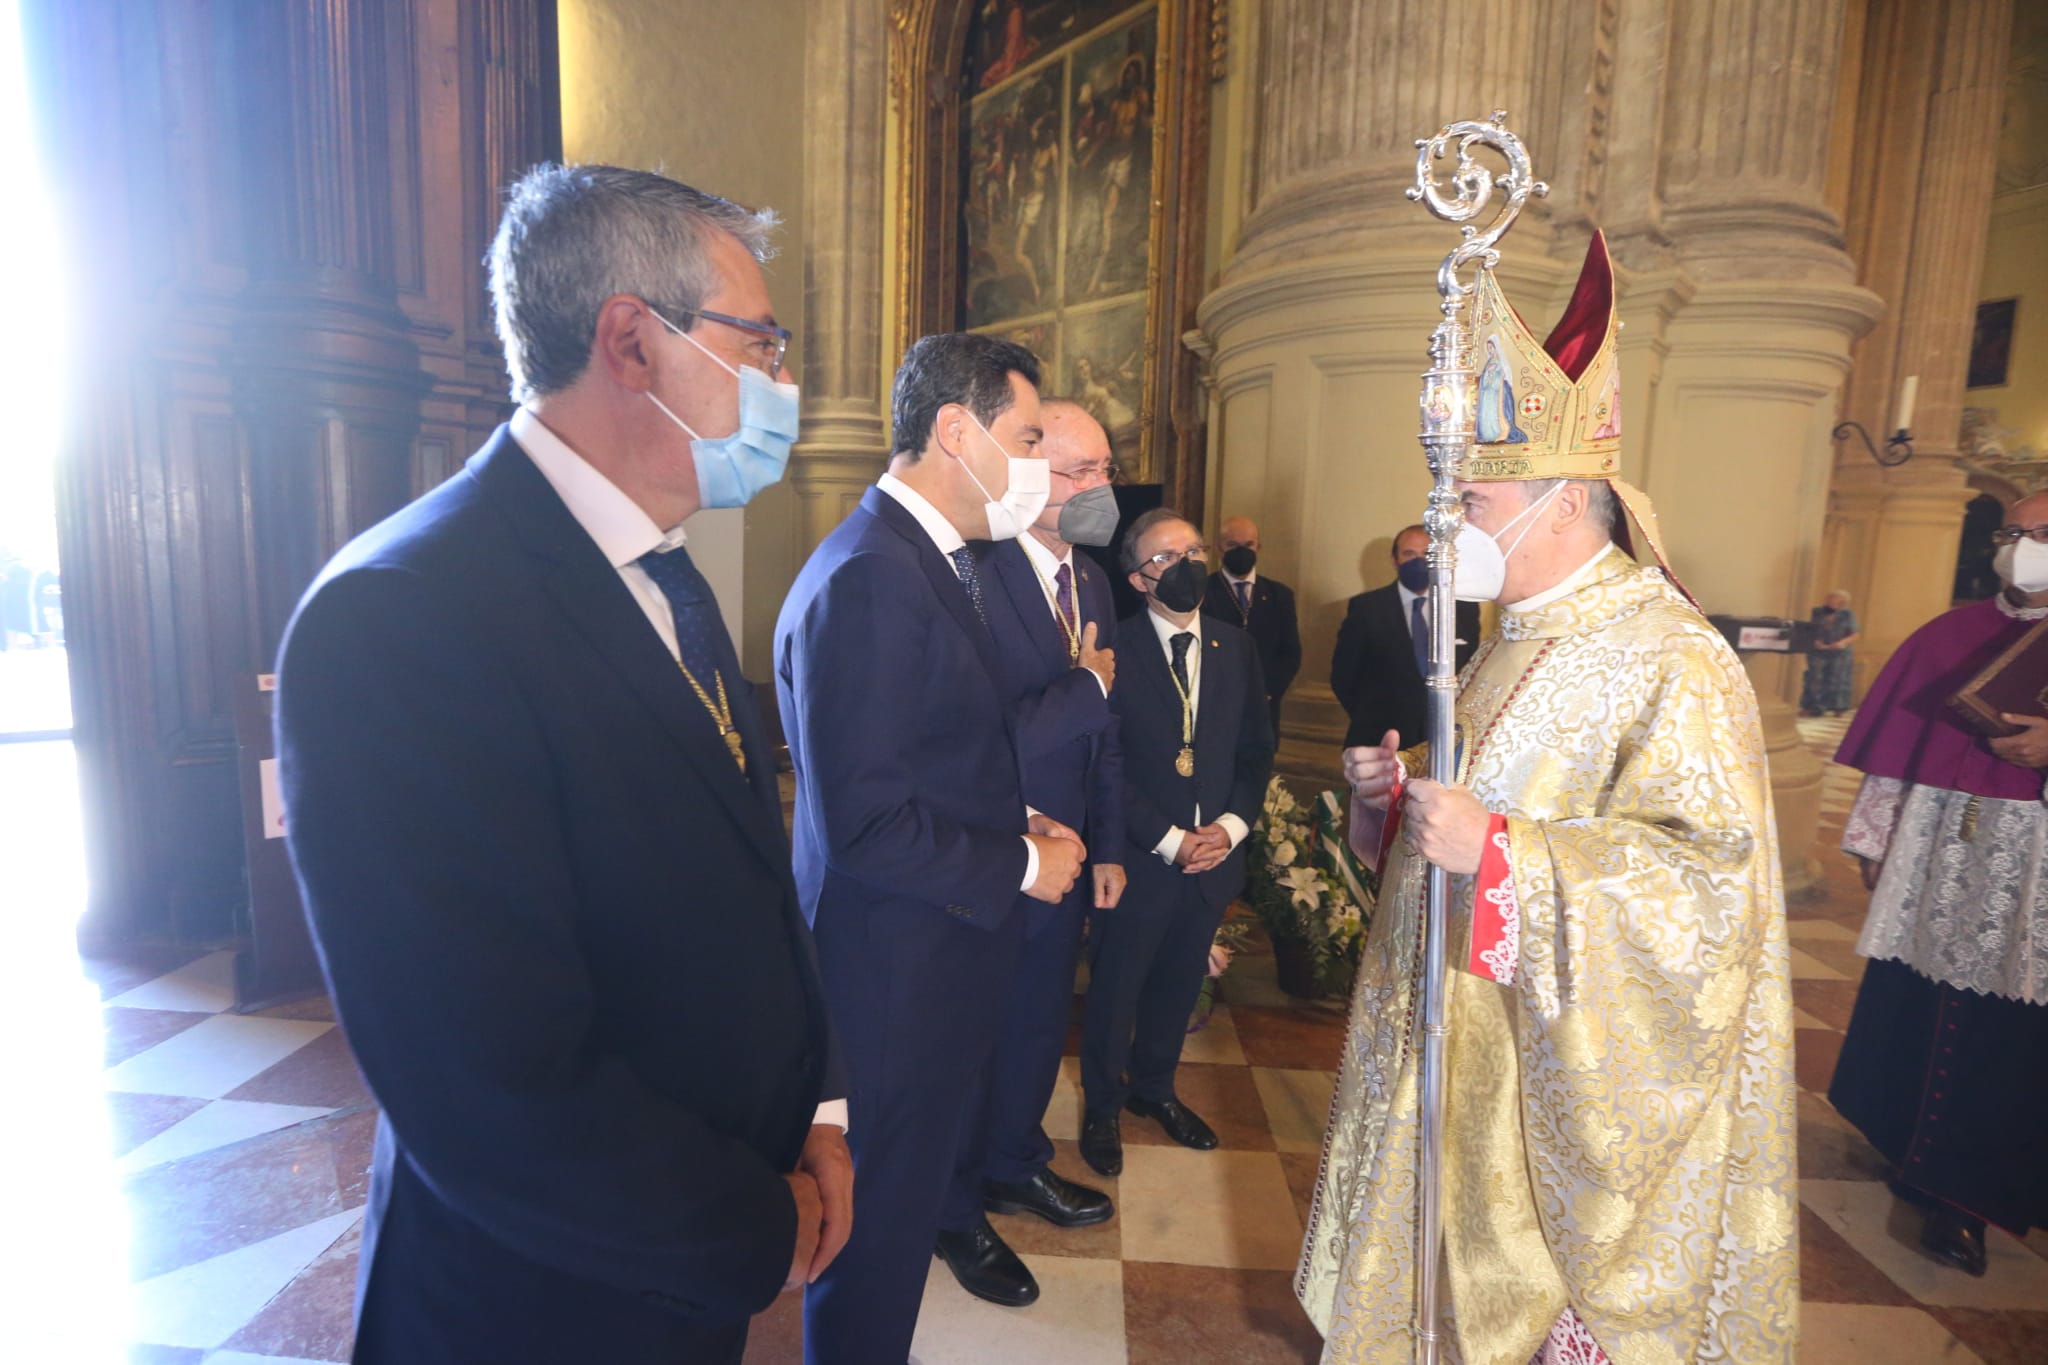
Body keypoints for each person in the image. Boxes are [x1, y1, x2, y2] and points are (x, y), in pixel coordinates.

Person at [274, 165, 847, 1365]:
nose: (785, 386)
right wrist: (749, 1223)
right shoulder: (404, 614)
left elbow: (745, 882)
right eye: (765, 343)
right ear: (633, 341)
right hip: (540, 1299)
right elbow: (487, 1086)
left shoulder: (665, 569)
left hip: (679, 1266)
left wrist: (819, 1108)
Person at [1297, 232, 1799, 1364]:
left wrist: (1503, 854)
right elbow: (1483, 810)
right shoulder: (1507, 638)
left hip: (1540, 1091)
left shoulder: (1670, 655)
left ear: (1565, 501)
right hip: (1451, 1052)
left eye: (1469, 498)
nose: (1446, 529)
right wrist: (1396, 801)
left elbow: (1706, 894)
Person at [776, 333, 1085, 1363]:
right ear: (957, 431)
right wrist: (1019, 866)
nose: (1038, 462)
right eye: (1027, 435)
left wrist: (1012, 824)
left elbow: (933, 757)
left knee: (901, 1223)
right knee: (872, 1237)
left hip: (934, 958)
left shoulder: (936, 560)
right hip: (887, 979)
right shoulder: (870, 574)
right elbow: (863, 824)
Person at [1827, 491, 2048, 1276]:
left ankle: (1971, 1196)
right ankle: (1910, 1147)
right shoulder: (1947, 634)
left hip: (2034, 865)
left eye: (2043, 534)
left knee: (2008, 1027)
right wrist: (1876, 841)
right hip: (1935, 847)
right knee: (1918, 998)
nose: (2023, 547)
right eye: (2013, 532)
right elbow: (1894, 760)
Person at [942, 400, 1126, 1308]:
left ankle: (1016, 1161)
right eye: (1077, 470)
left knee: (1034, 1026)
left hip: (1070, 858)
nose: (1100, 487)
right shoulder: (970, 577)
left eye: (1105, 468)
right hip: (992, 857)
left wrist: (1108, 842)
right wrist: (1085, 686)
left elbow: (1108, 736)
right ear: (1025, 473)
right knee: (967, 1038)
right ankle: (952, 1205)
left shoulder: (1090, 580)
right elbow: (971, 744)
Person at [1079, 509, 1274, 1178]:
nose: (1188, 564)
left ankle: (1154, 1089)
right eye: (1168, 556)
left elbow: (1255, 754)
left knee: (1177, 985)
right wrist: (1169, 839)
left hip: (1213, 861)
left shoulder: (1235, 646)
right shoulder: (1113, 649)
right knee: (1116, 990)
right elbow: (1105, 765)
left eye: (1194, 550)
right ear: (1138, 578)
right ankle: (1102, 1104)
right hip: (1140, 859)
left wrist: (1230, 828)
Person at [1329, 523, 1481, 750]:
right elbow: (1344, 676)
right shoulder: (1366, 608)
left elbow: (1472, 669)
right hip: (1379, 741)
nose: (1418, 561)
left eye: (1427, 554)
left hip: (1444, 742)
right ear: (1394, 560)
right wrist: (1374, 718)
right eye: (1409, 554)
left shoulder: (1463, 608)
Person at [1204, 515, 1302, 738]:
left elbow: (1290, 652)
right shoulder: (1203, 592)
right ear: (1219, 549)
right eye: (1232, 545)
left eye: (1248, 545)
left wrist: (1266, 692)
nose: (1242, 551)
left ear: (1258, 547)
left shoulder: (1280, 595)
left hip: (1264, 710)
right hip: (1215, 707)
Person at [1800, 588, 1859, 716]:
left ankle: (1838, 708)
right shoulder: (1816, 612)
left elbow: (1855, 635)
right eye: (1829, 598)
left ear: (1842, 603)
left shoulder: (1848, 615)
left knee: (1837, 679)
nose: (1830, 601)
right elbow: (1808, 629)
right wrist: (1814, 640)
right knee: (1814, 678)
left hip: (1840, 653)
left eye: (1834, 599)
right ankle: (1812, 706)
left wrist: (1842, 643)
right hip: (1818, 651)